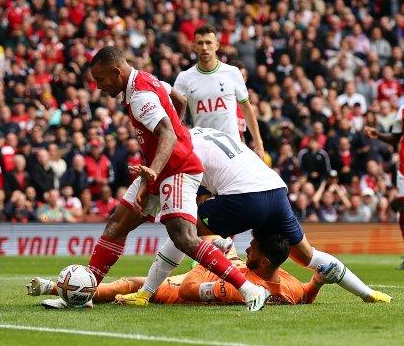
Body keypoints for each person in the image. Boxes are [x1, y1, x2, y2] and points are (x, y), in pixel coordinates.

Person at [39, 47, 270, 311]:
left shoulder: (139, 95)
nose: (99, 87)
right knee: (116, 225)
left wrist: (154, 171)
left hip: (178, 168)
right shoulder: (147, 79)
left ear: (116, 72)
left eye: (101, 79)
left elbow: (168, 135)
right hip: (159, 168)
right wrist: (163, 157)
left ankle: (250, 290)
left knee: (183, 237)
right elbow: (179, 99)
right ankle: (85, 293)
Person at [118, 127, 391, 305]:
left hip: (245, 196)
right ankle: (368, 294)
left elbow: (162, 187)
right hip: (275, 190)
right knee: (307, 256)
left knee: (182, 231)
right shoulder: (207, 132)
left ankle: (145, 292)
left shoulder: (179, 145)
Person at [27, 233, 329, 306]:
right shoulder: (284, 282)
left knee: (130, 284)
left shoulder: (239, 289)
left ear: (263, 261)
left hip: (186, 285)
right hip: (222, 265)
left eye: (254, 248)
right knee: (213, 233)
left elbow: (189, 290)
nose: (249, 247)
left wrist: (203, 260)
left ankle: (61, 290)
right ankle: (63, 290)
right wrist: (315, 282)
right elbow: (301, 296)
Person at [173, 24, 265, 158]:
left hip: (232, 148)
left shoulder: (232, 72)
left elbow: (246, 108)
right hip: (204, 151)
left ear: (216, 45)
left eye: (208, 43)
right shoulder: (184, 78)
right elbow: (174, 114)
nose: (204, 47)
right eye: (200, 43)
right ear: (194, 47)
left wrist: (259, 144)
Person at [364, 104, 404, 269]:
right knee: (402, 212)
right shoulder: (402, 110)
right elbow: (395, 138)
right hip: (403, 171)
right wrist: (378, 134)